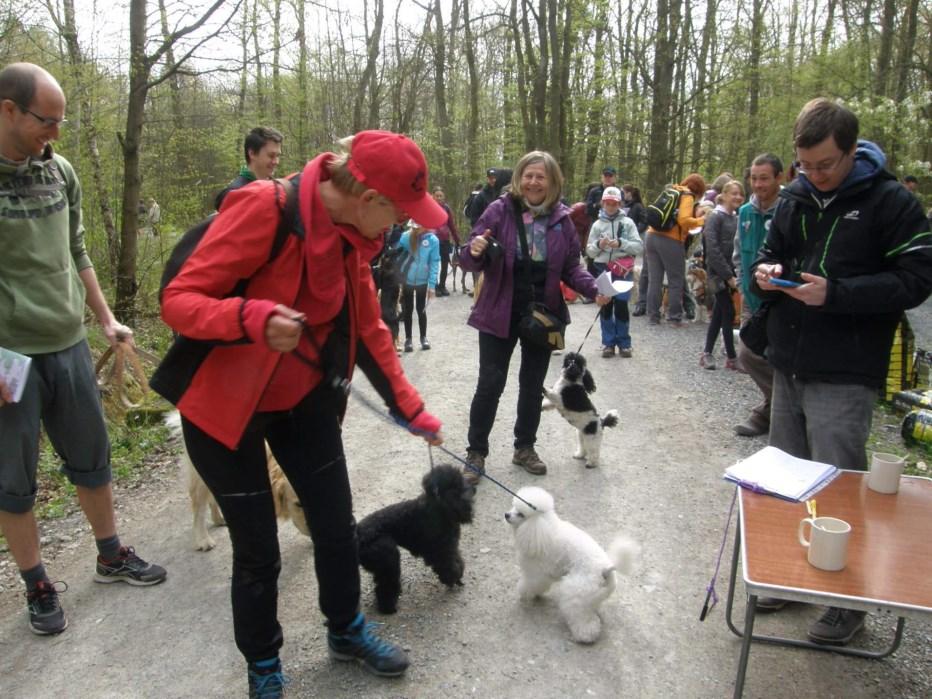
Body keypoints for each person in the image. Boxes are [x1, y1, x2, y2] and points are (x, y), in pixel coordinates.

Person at [161, 130, 448, 693]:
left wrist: (410, 408)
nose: (398, 226)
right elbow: (178, 300)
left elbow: (369, 328)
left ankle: (345, 631)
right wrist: (251, 318)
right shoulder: (264, 208)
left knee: (335, 526)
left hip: (302, 403)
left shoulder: (348, 239)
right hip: (227, 413)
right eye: (398, 212)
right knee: (259, 551)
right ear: (368, 198)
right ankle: (264, 666)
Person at [750, 98, 932, 645]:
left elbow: (917, 279)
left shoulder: (891, 201)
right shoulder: (797, 196)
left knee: (839, 486)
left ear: (853, 152)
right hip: (790, 360)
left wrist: (837, 294)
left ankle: (847, 603)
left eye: (826, 164)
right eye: (805, 165)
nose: (815, 174)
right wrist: (767, 270)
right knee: (786, 478)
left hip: (848, 368)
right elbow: (772, 248)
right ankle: (787, 578)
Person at [0, 62, 167, 637]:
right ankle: (37, 584)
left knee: (92, 456)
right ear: (8, 110)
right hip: (9, 358)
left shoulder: (60, 172)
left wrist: (106, 319)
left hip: (68, 342)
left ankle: (109, 553)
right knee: (13, 479)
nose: (56, 134)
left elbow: (77, 251)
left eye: (61, 122)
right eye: (47, 121)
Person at [458, 151, 611, 486]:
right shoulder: (499, 210)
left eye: (541, 176)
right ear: (518, 179)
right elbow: (468, 255)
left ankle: (524, 447)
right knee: (490, 384)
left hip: (544, 314)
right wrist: (474, 250)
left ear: (552, 182)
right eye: (528, 175)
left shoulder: (562, 219)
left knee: (531, 386)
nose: (533, 182)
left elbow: (572, 267)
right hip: (500, 310)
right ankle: (476, 452)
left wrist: (595, 288)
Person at [733, 153, 783, 437]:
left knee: (778, 356)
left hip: (781, 298)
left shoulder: (790, 207)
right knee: (749, 353)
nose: (758, 184)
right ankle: (778, 407)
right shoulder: (745, 212)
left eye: (764, 178)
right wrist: (741, 284)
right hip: (752, 297)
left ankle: (771, 413)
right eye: (754, 178)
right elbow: (739, 253)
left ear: (779, 178)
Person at [586, 186, 642, 358]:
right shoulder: (597, 225)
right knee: (606, 305)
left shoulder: (628, 223)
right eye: (607, 203)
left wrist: (620, 243)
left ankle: (625, 343)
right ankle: (608, 343)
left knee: (621, 305)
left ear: (619, 204)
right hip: (603, 268)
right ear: (602, 203)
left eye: (614, 203)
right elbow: (589, 251)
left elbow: (639, 246)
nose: (610, 206)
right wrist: (598, 245)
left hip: (623, 269)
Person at [644, 174, 706, 326]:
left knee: (655, 280)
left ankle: (653, 316)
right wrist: (703, 220)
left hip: (651, 236)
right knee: (675, 280)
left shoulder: (671, 190)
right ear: (699, 190)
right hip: (670, 239)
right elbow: (684, 220)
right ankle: (675, 317)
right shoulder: (687, 195)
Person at [699, 180, 744, 369]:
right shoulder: (715, 217)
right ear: (724, 195)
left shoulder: (736, 218)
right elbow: (713, 250)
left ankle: (707, 353)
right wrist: (728, 276)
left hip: (731, 273)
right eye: (734, 193)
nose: (738, 197)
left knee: (719, 314)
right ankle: (732, 358)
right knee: (728, 312)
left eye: (740, 194)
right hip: (717, 275)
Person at [214, 125, 283, 210]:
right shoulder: (235, 194)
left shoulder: (278, 189)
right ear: (252, 154)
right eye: (271, 155)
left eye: (278, 156)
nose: (276, 161)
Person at [399, 219, 441, 351]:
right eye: (414, 227)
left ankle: (423, 337)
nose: (416, 229)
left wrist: (432, 285)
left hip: (422, 280)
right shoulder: (405, 237)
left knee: (421, 309)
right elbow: (398, 258)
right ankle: (408, 339)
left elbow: (434, 262)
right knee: (408, 309)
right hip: (407, 280)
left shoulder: (433, 240)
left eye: (418, 227)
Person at [431, 187, 460, 296]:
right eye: (437, 196)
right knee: (434, 264)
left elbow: (451, 225)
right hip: (432, 241)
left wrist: (457, 240)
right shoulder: (429, 208)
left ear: (444, 197)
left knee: (444, 264)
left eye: (441, 196)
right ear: (432, 196)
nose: (439, 198)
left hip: (444, 240)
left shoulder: (446, 208)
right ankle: (435, 286)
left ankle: (442, 286)